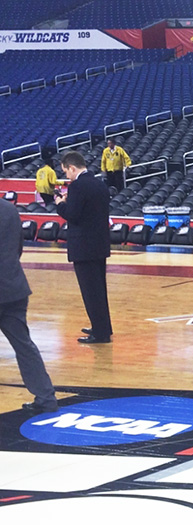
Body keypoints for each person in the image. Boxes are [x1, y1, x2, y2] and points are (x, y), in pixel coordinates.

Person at [0, 192, 59, 413]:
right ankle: (46, 397)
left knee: (24, 345)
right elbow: (18, 247)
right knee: (24, 346)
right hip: (13, 286)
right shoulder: (8, 209)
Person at [55, 150, 113, 344]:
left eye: (66, 172)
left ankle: (100, 333)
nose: (66, 176)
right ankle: (102, 326)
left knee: (90, 291)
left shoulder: (78, 187)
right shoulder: (99, 184)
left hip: (84, 247)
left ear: (72, 167)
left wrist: (60, 204)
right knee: (99, 289)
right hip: (99, 244)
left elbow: (73, 215)